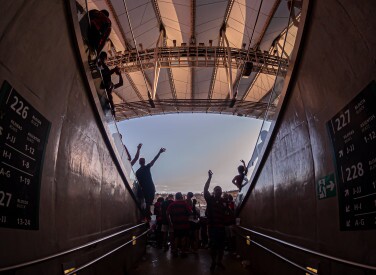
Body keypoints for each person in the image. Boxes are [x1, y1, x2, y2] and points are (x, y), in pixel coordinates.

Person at [204, 170, 227, 271]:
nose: (218, 191)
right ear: (214, 192)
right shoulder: (210, 199)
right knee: (213, 247)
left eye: (220, 190)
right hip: (212, 228)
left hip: (222, 228)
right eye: (217, 189)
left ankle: (219, 262)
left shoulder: (223, 201)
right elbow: (205, 189)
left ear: (221, 192)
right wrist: (209, 178)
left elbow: (227, 213)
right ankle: (213, 262)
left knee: (221, 247)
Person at [135, 147, 166, 220]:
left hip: (144, 190)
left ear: (139, 163)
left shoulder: (137, 172)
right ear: (144, 162)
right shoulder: (147, 167)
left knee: (148, 204)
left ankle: (148, 217)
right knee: (149, 204)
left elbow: (138, 183)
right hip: (151, 189)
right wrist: (159, 152)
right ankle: (149, 218)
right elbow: (154, 159)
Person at [97, 51, 123, 116]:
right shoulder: (101, 64)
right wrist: (114, 70)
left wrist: (120, 74)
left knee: (110, 91)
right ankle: (113, 110)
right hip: (102, 89)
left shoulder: (111, 86)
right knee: (109, 94)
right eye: (103, 58)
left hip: (105, 98)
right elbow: (104, 74)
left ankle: (112, 110)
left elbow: (121, 83)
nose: (104, 59)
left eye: (104, 58)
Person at [167, 192, 192, 257]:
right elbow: (190, 212)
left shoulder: (172, 204)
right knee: (183, 238)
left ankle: (175, 252)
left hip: (175, 225)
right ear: (181, 197)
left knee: (176, 238)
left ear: (176, 197)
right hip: (184, 224)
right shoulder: (185, 204)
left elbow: (167, 214)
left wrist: (170, 223)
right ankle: (182, 252)